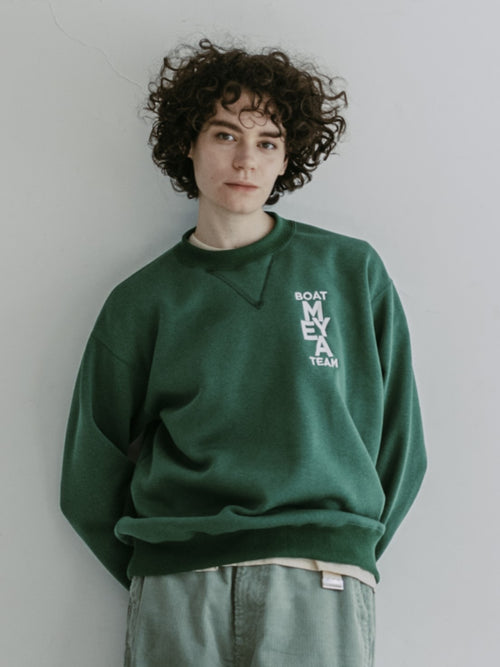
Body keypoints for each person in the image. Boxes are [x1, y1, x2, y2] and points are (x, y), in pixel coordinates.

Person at [60, 39, 426, 666]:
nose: (246, 160)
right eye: (225, 135)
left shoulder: (349, 271)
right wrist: (162, 565)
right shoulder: (142, 301)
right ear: (190, 143)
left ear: (287, 157)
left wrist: (345, 548)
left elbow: (401, 444)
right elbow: (88, 473)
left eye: (268, 142)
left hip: (320, 578)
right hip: (178, 587)